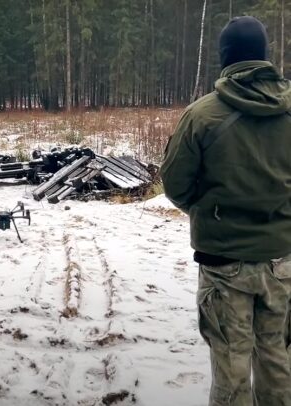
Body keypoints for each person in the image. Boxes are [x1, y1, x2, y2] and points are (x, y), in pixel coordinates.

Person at [161, 16, 291, 405]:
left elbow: (175, 184)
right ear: (263, 55)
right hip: (281, 260)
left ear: (225, 58)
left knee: (231, 363)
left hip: (223, 263)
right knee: (277, 357)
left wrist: (207, 210)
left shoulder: (202, 115)